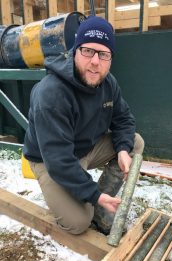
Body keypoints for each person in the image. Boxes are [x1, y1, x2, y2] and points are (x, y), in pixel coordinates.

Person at [23, 16, 144, 235]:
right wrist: (92, 193)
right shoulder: (51, 94)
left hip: (86, 149)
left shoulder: (108, 83)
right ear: (75, 51)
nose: (95, 61)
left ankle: (99, 206)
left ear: (111, 59)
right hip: (48, 160)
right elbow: (58, 160)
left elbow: (124, 119)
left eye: (104, 54)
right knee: (79, 222)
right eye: (88, 51)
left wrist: (123, 149)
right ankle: (90, 200)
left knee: (134, 143)